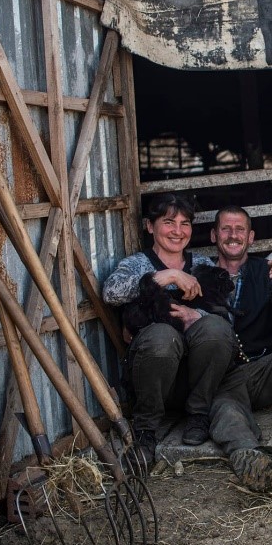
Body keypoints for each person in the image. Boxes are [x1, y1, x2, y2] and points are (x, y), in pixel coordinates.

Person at [103, 194, 235, 458]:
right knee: (163, 336)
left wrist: (194, 314)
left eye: (185, 223)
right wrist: (167, 276)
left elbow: (226, 315)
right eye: (169, 222)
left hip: (193, 379)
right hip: (152, 378)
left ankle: (199, 415)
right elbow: (111, 293)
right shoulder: (136, 264)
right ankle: (146, 429)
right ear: (150, 226)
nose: (178, 231)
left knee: (215, 329)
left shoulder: (202, 265)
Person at [207, 206, 272, 492]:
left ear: (251, 237)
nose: (233, 235)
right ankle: (253, 459)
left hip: (267, 369)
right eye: (226, 229)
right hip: (223, 380)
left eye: (240, 229)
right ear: (213, 235)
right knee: (225, 412)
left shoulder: (266, 271)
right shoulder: (198, 277)